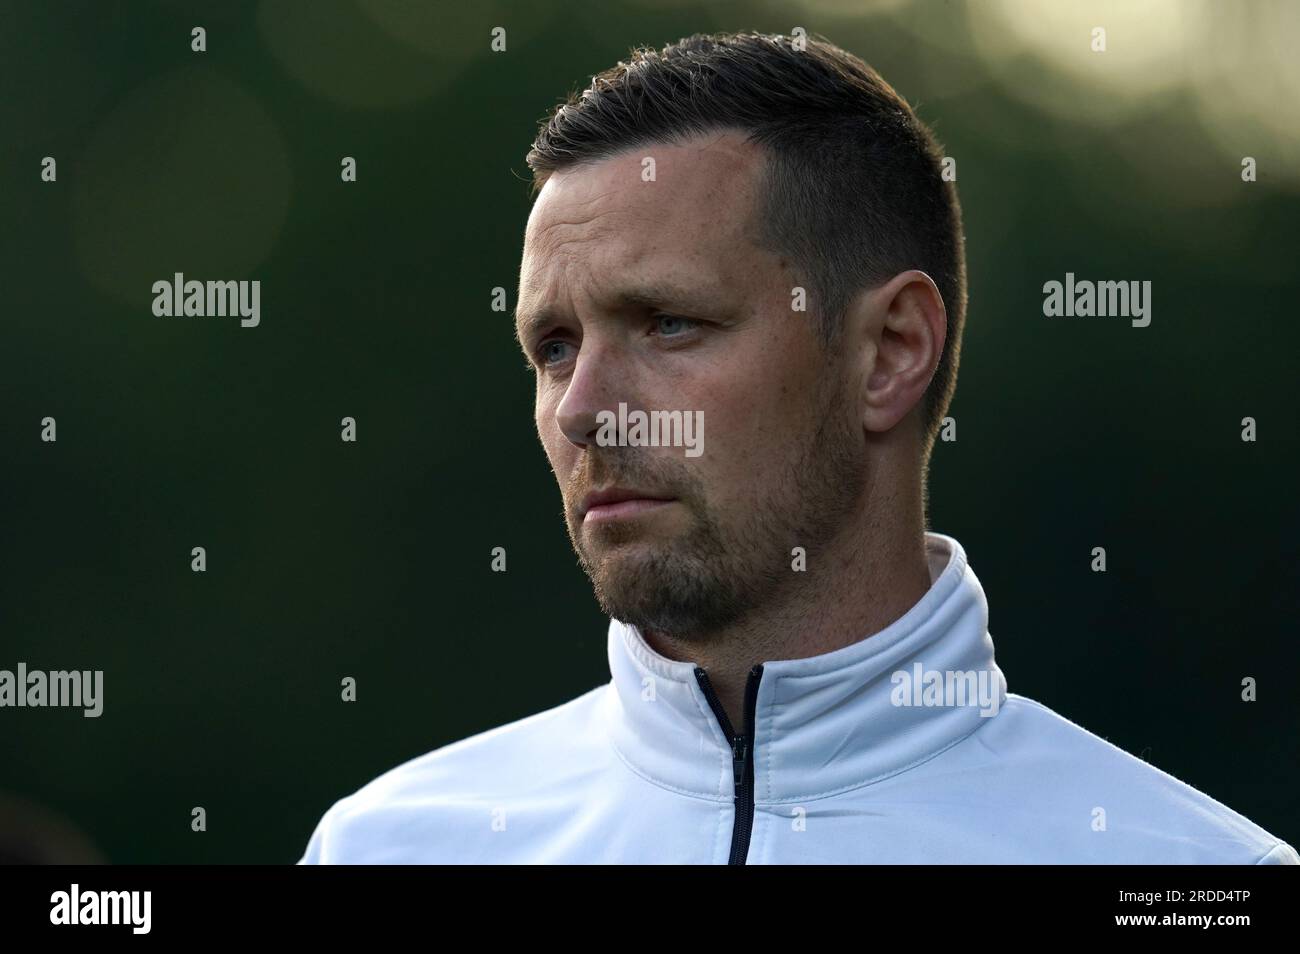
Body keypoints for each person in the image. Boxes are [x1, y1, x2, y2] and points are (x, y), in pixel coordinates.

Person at [298, 31, 1296, 864]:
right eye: (553, 346)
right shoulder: (392, 847)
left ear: (888, 353)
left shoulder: (1186, 878)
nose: (582, 408)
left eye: (667, 323)